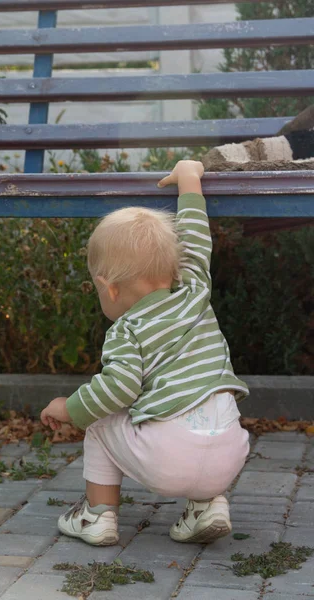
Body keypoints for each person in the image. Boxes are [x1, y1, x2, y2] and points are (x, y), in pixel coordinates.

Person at [41, 160, 250, 547]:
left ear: (110, 288)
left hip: (168, 461)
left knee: (101, 421)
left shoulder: (126, 331)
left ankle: (97, 516)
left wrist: (67, 408)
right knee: (195, 405)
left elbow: (116, 389)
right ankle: (207, 504)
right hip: (230, 455)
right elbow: (196, 237)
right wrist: (189, 176)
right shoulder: (195, 292)